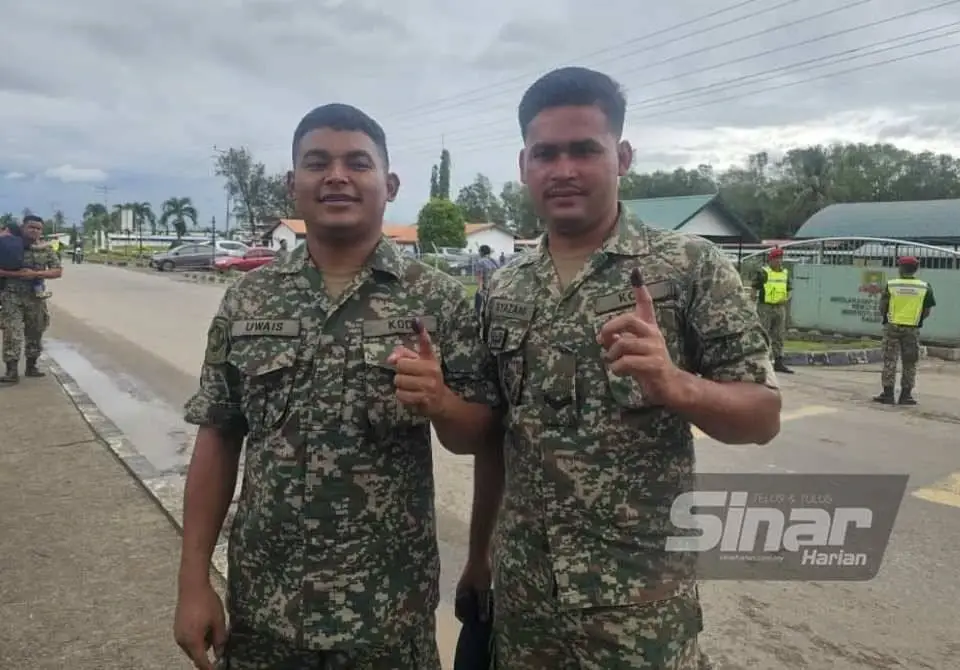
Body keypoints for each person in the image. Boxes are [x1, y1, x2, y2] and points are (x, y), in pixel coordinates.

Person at [459, 66, 782, 669]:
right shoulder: (502, 287)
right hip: (526, 602)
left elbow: (762, 416)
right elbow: (497, 441)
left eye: (585, 150)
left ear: (623, 155)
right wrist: (480, 557)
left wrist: (675, 384)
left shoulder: (689, 267)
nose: (564, 170)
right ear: (524, 163)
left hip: (639, 607)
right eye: (546, 153)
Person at [173, 102, 500, 670]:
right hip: (265, 612)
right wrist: (193, 580)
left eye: (358, 163)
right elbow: (219, 437)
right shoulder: (249, 300)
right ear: (292, 183)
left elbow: (481, 435)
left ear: (390, 184)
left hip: (388, 618)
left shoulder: (439, 300)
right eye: (317, 163)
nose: (337, 177)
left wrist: (443, 402)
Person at [0, 215, 62, 384]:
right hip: (12, 296)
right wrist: (17, 274)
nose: (34, 230)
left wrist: (35, 274)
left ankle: (31, 366)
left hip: (36, 297)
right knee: (12, 332)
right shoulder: (8, 246)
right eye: (31, 227)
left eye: (38, 228)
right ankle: (11, 371)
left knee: (35, 331)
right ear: (23, 228)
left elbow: (57, 271)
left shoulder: (45, 249)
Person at [872, 256, 935, 406]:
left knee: (890, 360)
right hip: (912, 329)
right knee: (910, 362)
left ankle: (888, 395)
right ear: (916, 269)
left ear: (900, 268)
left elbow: (882, 307)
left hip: (892, 327)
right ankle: (906, 396)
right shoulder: (925, 287)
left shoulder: (891, 285)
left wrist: (888, 319)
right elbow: (926, 311)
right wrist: (915, 320)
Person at [753, 247, 793, 374]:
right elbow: (754, 288)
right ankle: (760, 362)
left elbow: (789, 288)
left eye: (780, 258)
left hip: (780, 307)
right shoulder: (763, 272)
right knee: (763, 334)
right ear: (770, 260)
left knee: (779, 335)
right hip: (765, 307)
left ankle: (779, 361)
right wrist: (752, 299)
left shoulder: (785, 273)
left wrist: (786, 298)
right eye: (776, 259)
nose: (779, 261)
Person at [473, 244, 499, 314]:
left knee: (479, 311)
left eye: (479, 251)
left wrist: (480, 289)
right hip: (495, 289)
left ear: (481, 252)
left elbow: (480, 276)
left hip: (484, 289)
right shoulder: (495, 261)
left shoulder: (480, 262)